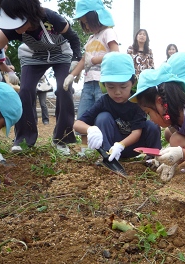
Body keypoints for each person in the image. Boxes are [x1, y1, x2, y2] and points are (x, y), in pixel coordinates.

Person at [0, 0, 82, 155]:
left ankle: (62, 139)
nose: (14, 29)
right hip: (33, 56)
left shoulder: (52, 17)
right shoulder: (11, 29)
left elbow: (73, 38)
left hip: (60, 54)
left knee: (64, 88)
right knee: (25, 90)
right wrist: (8, 72)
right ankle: (23, 138)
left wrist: (76, 59)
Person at [73, 52, 161, 163]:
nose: (117, 92)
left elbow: (136, 133)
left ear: (133, 83)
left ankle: (153, 158)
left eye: (123, 86)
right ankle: (107, 157)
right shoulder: (104, 101)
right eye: (111, 87)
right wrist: (90, 129)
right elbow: (77, 124)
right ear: (104, 85)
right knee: (103, 117)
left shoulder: (136, 102)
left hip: (135, 147)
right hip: (111, 148)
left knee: (152, 125)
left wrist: (121, 145)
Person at [63, 0, 119, 154]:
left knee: (103, 115)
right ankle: (86, 148)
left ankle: (105, 147)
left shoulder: (108, 33)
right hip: (88, 83)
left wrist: (94, 60)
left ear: (96, 17)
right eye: (84, 23)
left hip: (103, 82)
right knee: (83, 114)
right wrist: (71, 75)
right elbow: (84, 60)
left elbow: (115, 54)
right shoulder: (90, 39)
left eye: (87, 22)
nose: (86, 27)